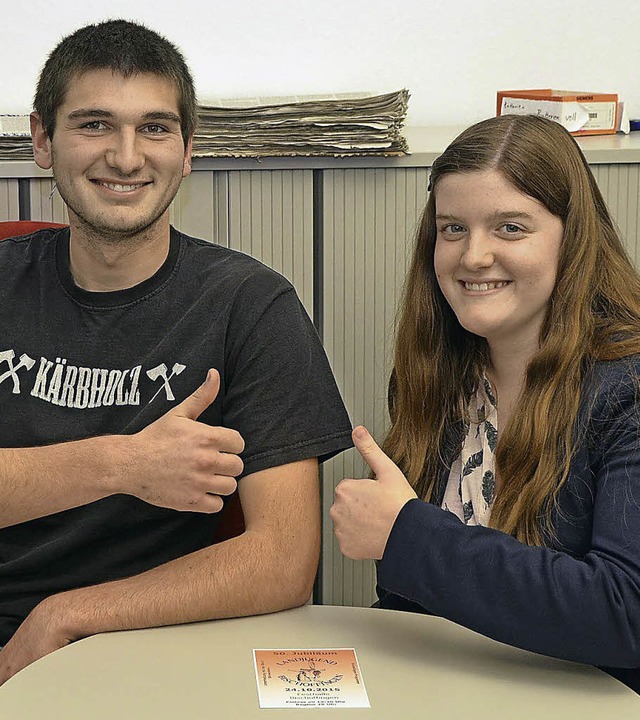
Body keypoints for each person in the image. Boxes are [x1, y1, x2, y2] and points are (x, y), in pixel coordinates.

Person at [0, 19, 352, 684]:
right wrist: (119, 464)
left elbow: (283, 562)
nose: (126, 157)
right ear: (42, 139)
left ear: (188, 149)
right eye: (95, 124)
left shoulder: (250, 304)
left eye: (155, 128)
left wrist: (65, 615)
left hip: (151, 643)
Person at [330, 114, 640, 693]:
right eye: (452, 229)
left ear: (574, 239)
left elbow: (625, 612)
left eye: (510, 228)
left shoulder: (628, 390)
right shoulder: (439, 377)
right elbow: (417, 602)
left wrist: (406, 535)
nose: (473, 256)